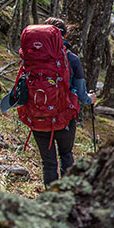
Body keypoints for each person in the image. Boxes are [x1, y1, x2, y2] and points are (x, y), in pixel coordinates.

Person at [31, 17, 93, 185]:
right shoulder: (72, 59)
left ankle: (50, 195)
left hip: (37, 116)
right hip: (64, 117)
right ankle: (66, 193)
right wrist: (90, 99)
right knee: (66, 154)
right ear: (65, 35)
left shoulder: (31, 57)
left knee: (48, 162)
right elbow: (82, 96)